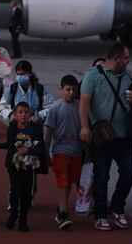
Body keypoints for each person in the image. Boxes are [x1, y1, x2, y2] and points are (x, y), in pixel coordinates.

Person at [79, 42, 132, 231]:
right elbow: (84, 104)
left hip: (125, 136)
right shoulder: (92, 75)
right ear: (116, 59)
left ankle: (117, 207)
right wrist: (85, 127)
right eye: (126, 57)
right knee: (102, 176)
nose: (128, 60)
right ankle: (100, 214)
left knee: (129, 172)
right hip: (102, 136)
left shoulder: (128, 76)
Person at [0, 102, 48, 232]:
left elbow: (40, 147)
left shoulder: (34, 129)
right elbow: (10, 144)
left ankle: (23, 219)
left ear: (30, 114)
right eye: (20, 112)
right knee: (14, 191)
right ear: (15, 114)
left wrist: (28, 150)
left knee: (26, 194)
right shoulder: (13, 128)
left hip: (29, 166)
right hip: (14, 165)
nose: (23, 115)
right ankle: (13, 214)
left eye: (26, 112)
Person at [44, 75, 82, 230]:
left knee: (70, 183)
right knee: (62, 180)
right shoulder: (55, 108)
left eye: (74, 90)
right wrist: (46, 154)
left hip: (76, 151)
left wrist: (87, 152)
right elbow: (48, 132)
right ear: (61, 90)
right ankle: (64, 214)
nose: (71, 93)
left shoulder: (80, 106)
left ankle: (61, 209)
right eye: (68, 89)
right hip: (60, 150)